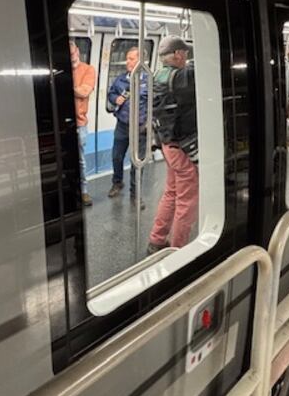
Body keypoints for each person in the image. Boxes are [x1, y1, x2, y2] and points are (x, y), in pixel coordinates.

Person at [147, 35, 199, 253]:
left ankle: (157, 239)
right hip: (181, 147)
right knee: (187, 200)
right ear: (177, 54)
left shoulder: (157, 74)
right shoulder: (179, 78)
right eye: (185, 53)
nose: (186, 57)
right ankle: (179, 249)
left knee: (171, 192)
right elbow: (200, 69)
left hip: (167, 144)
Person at [106, 46, 148, 200]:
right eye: (127, 59)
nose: (127, 62)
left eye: (131, 59)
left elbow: (155, 103)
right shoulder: (121, 79)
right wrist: (115, 99)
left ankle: (135, 193)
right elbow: (111, 94)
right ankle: (117, 183)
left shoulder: (149, 81)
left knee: (137, 162)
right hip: (122, 125)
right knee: (116, 156)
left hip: (140, 128)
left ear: (140, 61)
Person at [70, 40, 96, 206]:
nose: (72, 56)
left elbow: (84, 91)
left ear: (78, 51)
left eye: (73, 53)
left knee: (79, 160)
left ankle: (84, 191)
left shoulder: (88, 70)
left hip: (79, 124)